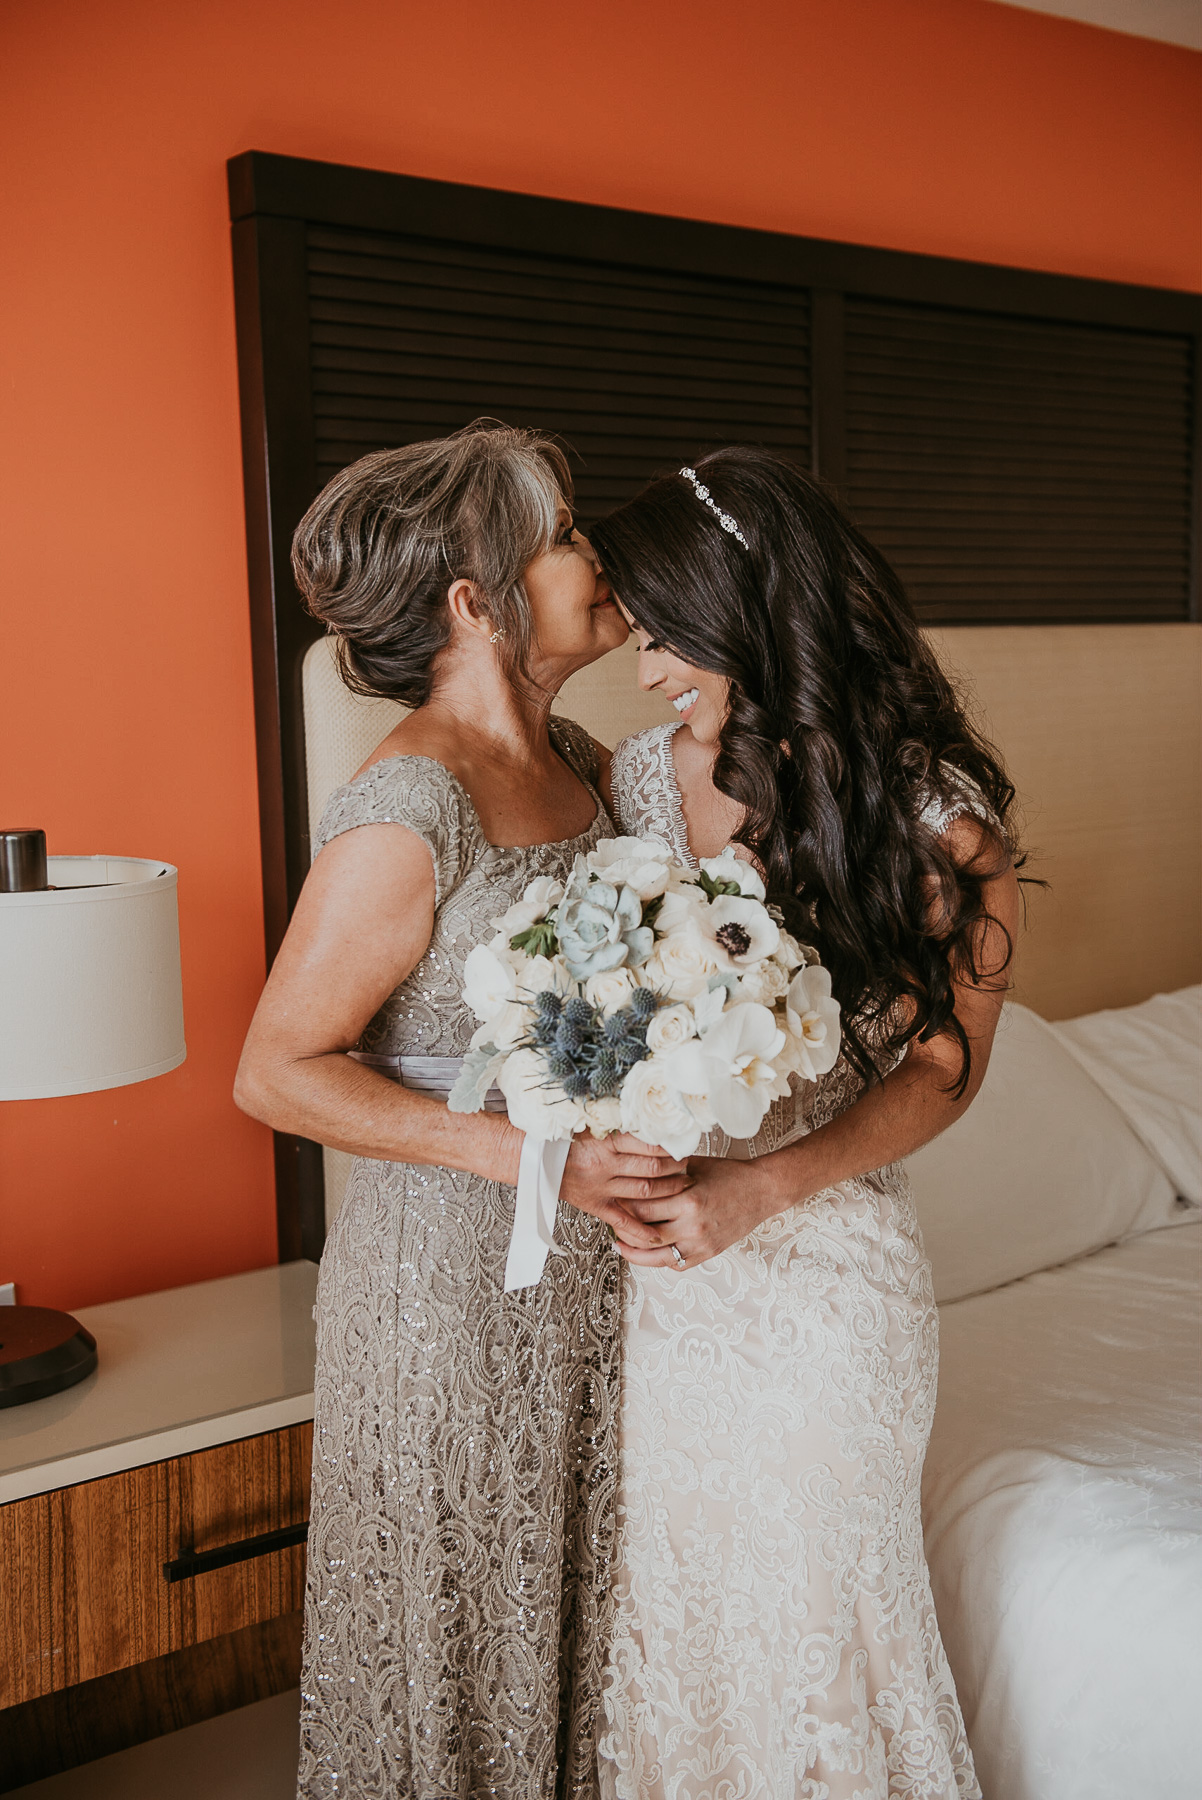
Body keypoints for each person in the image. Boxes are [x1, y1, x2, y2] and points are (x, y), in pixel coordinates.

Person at [234, 422, 688, 1800]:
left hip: (598, 1276)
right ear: (472, 600)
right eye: (562, 537)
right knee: (468, 1638)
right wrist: (526, 1151)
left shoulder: (578, 752)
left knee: (586, 1620)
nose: (598, 556)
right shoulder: (408, 805)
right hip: (448, 1288)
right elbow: (273, 1071)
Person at [588, 448, 1021, 1800]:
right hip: (669, 1287)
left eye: (664, 627)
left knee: (823, 1638)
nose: (646, 661)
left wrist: (763, 1191)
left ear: (741, 603)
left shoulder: (937, 813)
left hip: (830, 1285)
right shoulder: (637, 783)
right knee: (689, 1622)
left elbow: (945, 1068)